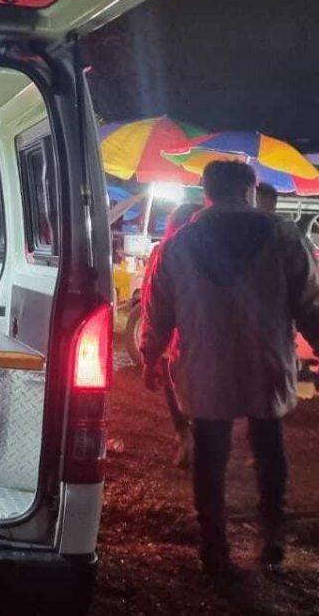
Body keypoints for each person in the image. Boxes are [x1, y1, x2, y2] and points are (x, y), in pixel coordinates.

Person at [141, 160, 319, 574]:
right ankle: (271, 535)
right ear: (249, 191)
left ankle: (214, 544)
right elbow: (308, 305)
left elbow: (158, 310)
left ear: (206, 192)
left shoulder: (179, 244)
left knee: (210, 453)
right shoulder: (283, 236)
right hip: (266, 361)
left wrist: (151, 356)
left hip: (206, 365)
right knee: (269, 444)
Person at [141, 201, 203, 468]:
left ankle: (186, 435)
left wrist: (149, 353)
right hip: (199, 338)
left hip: (176, 338)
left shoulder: (165, 252)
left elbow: (151, 302)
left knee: (175, 383)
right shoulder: (205, 253)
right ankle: (192, 438)